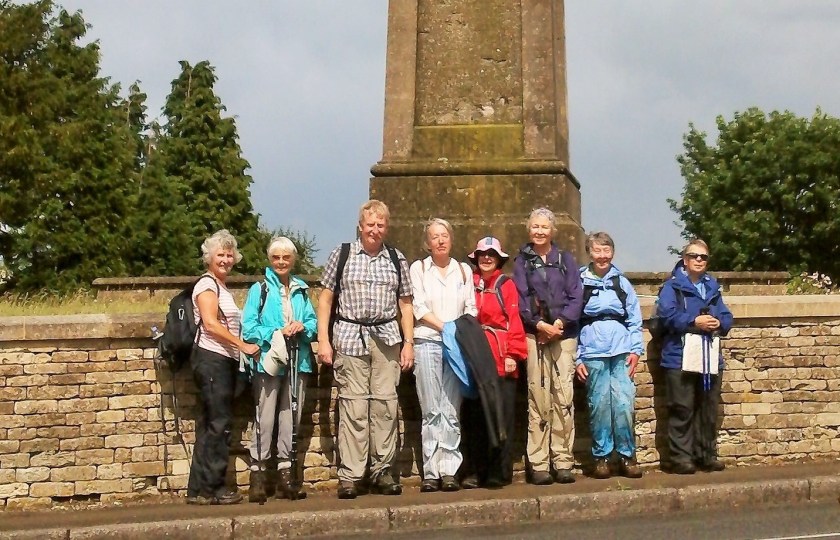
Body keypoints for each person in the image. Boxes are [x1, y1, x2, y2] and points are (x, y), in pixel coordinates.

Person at [316, 200, 415, 499]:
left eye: (380, 224)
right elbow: (325, 299)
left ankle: (382, 470)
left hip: (387, 339)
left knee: (385, 406)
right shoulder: (342, 254)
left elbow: (406, 304)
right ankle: (351, 475)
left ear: (387, 227)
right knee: (353, 407)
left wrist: (408, 343)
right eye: (370, 224)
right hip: (348, 336)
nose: (375, 229)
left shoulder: (397, 259)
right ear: (360, 226)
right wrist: (323, 340)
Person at [186, 229, 261, 505]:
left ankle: (198, 490)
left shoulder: (220, 286)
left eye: (230, 255)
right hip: (212, 360)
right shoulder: (207, 286)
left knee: (209, 425)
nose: (226, 259)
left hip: (218, 361)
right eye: (221, 254)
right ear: (209, 256)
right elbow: (211, 324)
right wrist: (241, 345)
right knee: (219, 424)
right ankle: (214, 488)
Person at [241, 236, 317, 502]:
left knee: (290, 418)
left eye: (286, 257)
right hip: (269, 361)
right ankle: (258, 476)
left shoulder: (301, 289)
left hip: (298, 360)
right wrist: (276, 332)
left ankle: (287, 476)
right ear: (269, 260)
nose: (281, 262)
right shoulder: (259, 290)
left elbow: (313, 323)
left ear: (293, 259)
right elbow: (248, 328)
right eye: (276, 257)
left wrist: (303, 327)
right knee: (265, 418)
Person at [512, 208, 583, 485]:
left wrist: (560, 324)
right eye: (535, 227)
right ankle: (539, 462)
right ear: (529, 230)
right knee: (537, 398)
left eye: (544, 227)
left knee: (563, 397)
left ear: (553, 231)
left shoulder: (566, 260)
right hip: (534, 335)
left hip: (563, 336)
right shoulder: (522, 261)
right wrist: (539, 325)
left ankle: (563, 460)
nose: (540, 231)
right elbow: (521, 297)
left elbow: (576, 295)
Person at [409, 219, 477, 493]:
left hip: (456, 346)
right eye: (435, 237)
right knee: (431, 409)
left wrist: (456, 332)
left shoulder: (463, 271)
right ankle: (430, 470)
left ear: (451, 239)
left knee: (451, 409)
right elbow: (419, 306)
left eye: (444, 235)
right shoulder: (419, 268)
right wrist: (444, 327)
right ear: (428, 243)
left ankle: (449, 469)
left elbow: (471, 307)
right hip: (428, 341)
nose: (440, 240)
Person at [657, 238, 733, 474]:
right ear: (685, 259)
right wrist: (694, 321)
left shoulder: (713, 287)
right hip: (679, 356)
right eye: (694, 256)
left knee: (707, 407)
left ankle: (705, 455)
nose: (699, 260)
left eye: (703, 257)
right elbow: (666, 317)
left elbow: (727, 317)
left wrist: (719, 322)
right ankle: (680, 458)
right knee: (682, 407)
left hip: (708, 355)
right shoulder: (671, 287)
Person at [575, 232, 643, 479]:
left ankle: (627, 456)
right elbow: (573, 322)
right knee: (600, 405)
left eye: (606, 251)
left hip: (621, 351)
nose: (602, 257)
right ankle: (601, 457)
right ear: (589, 253)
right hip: (593, 350)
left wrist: (636, 350)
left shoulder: (621, 282)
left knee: (624, 404)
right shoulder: (579, 281)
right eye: (597, 251)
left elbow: (635, 319)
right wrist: (577, 358)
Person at [461, 236, 527, 489]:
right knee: (476, 417)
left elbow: (514, 320)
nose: (486, 258)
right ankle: (476, 471)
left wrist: (513, 354)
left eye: (491, 254)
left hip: (501, 358)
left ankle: (499, 471)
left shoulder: (506, 285)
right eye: (482, 254)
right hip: (476, 357)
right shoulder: (469, 283)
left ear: (498, 259)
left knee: (502, 417)